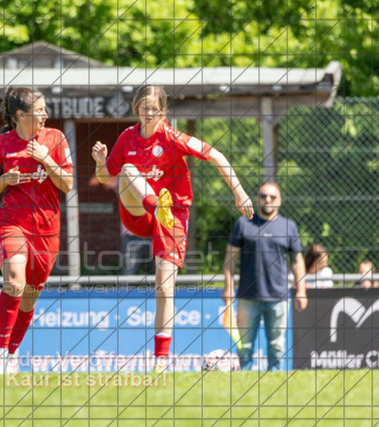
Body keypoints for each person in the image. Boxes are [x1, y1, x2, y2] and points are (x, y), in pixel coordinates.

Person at [92, 85, 253, 372]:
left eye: (155, 108)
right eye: (144, 107)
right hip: (140, 212)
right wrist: (100, 163)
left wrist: (239, 193)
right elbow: (106, 177)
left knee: (164, 288)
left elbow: (216, 156)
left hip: (172, 216)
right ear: (136, 109)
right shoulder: (127, 137)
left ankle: (160, 363)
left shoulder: (172, 137)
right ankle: (156, 205)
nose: (149, 113)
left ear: (163, 111)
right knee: (128, 170)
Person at [0, 87, 73, 373]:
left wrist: (47, 159)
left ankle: (11, 355)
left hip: (47, 230)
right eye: (40, 110)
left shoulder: (55, 138)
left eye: (45, 109)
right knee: (14, 281)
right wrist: (5, 180)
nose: (46, 115)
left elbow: (68, 184)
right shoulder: (1, 144)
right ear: (21, 115)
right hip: (12, 224)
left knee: (28, 298)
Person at [223, 182, 308, 371]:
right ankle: (243, 382)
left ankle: (275, 383)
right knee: (244, 347)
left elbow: (297, 262)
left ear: (280, 200)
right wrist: (228, 288)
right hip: (247, 297)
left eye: (272, 197)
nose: (267, 200)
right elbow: (230, 259)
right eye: (263, 196)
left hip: (278, 297)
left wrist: (301, 291)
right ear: (257, 199)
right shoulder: (243, 224)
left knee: (277, 347)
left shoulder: (288, 226)